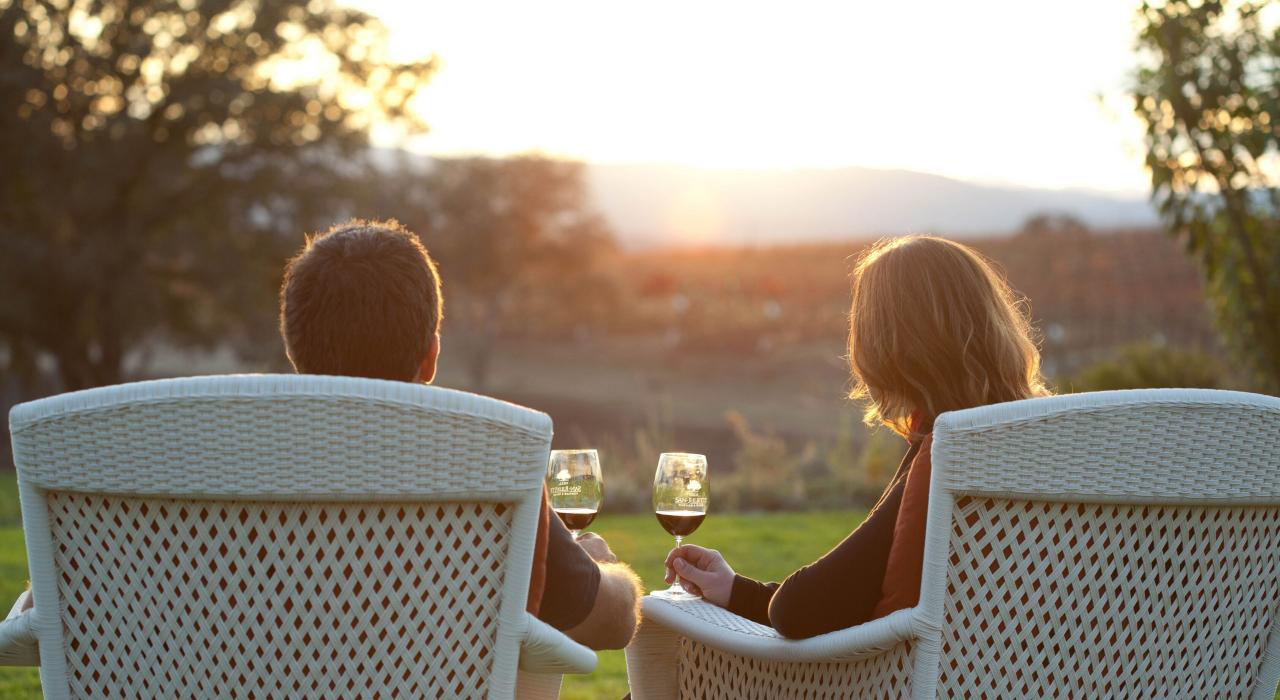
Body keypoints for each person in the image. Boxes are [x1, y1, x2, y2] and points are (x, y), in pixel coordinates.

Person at [279, 219, 642, 649]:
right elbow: (611, 624)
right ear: (431, 357)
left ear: (293, 349)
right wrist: (601, 569)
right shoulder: (490, 459)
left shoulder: (205, 455)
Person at [664, 235, 1049, 639]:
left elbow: (801, 610)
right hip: (1027, 679)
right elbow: (845, 599)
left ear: (892, 347)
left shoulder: (953, 450)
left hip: (891, 686)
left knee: (675, 658)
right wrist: (735, 592)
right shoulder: (1051, 443)